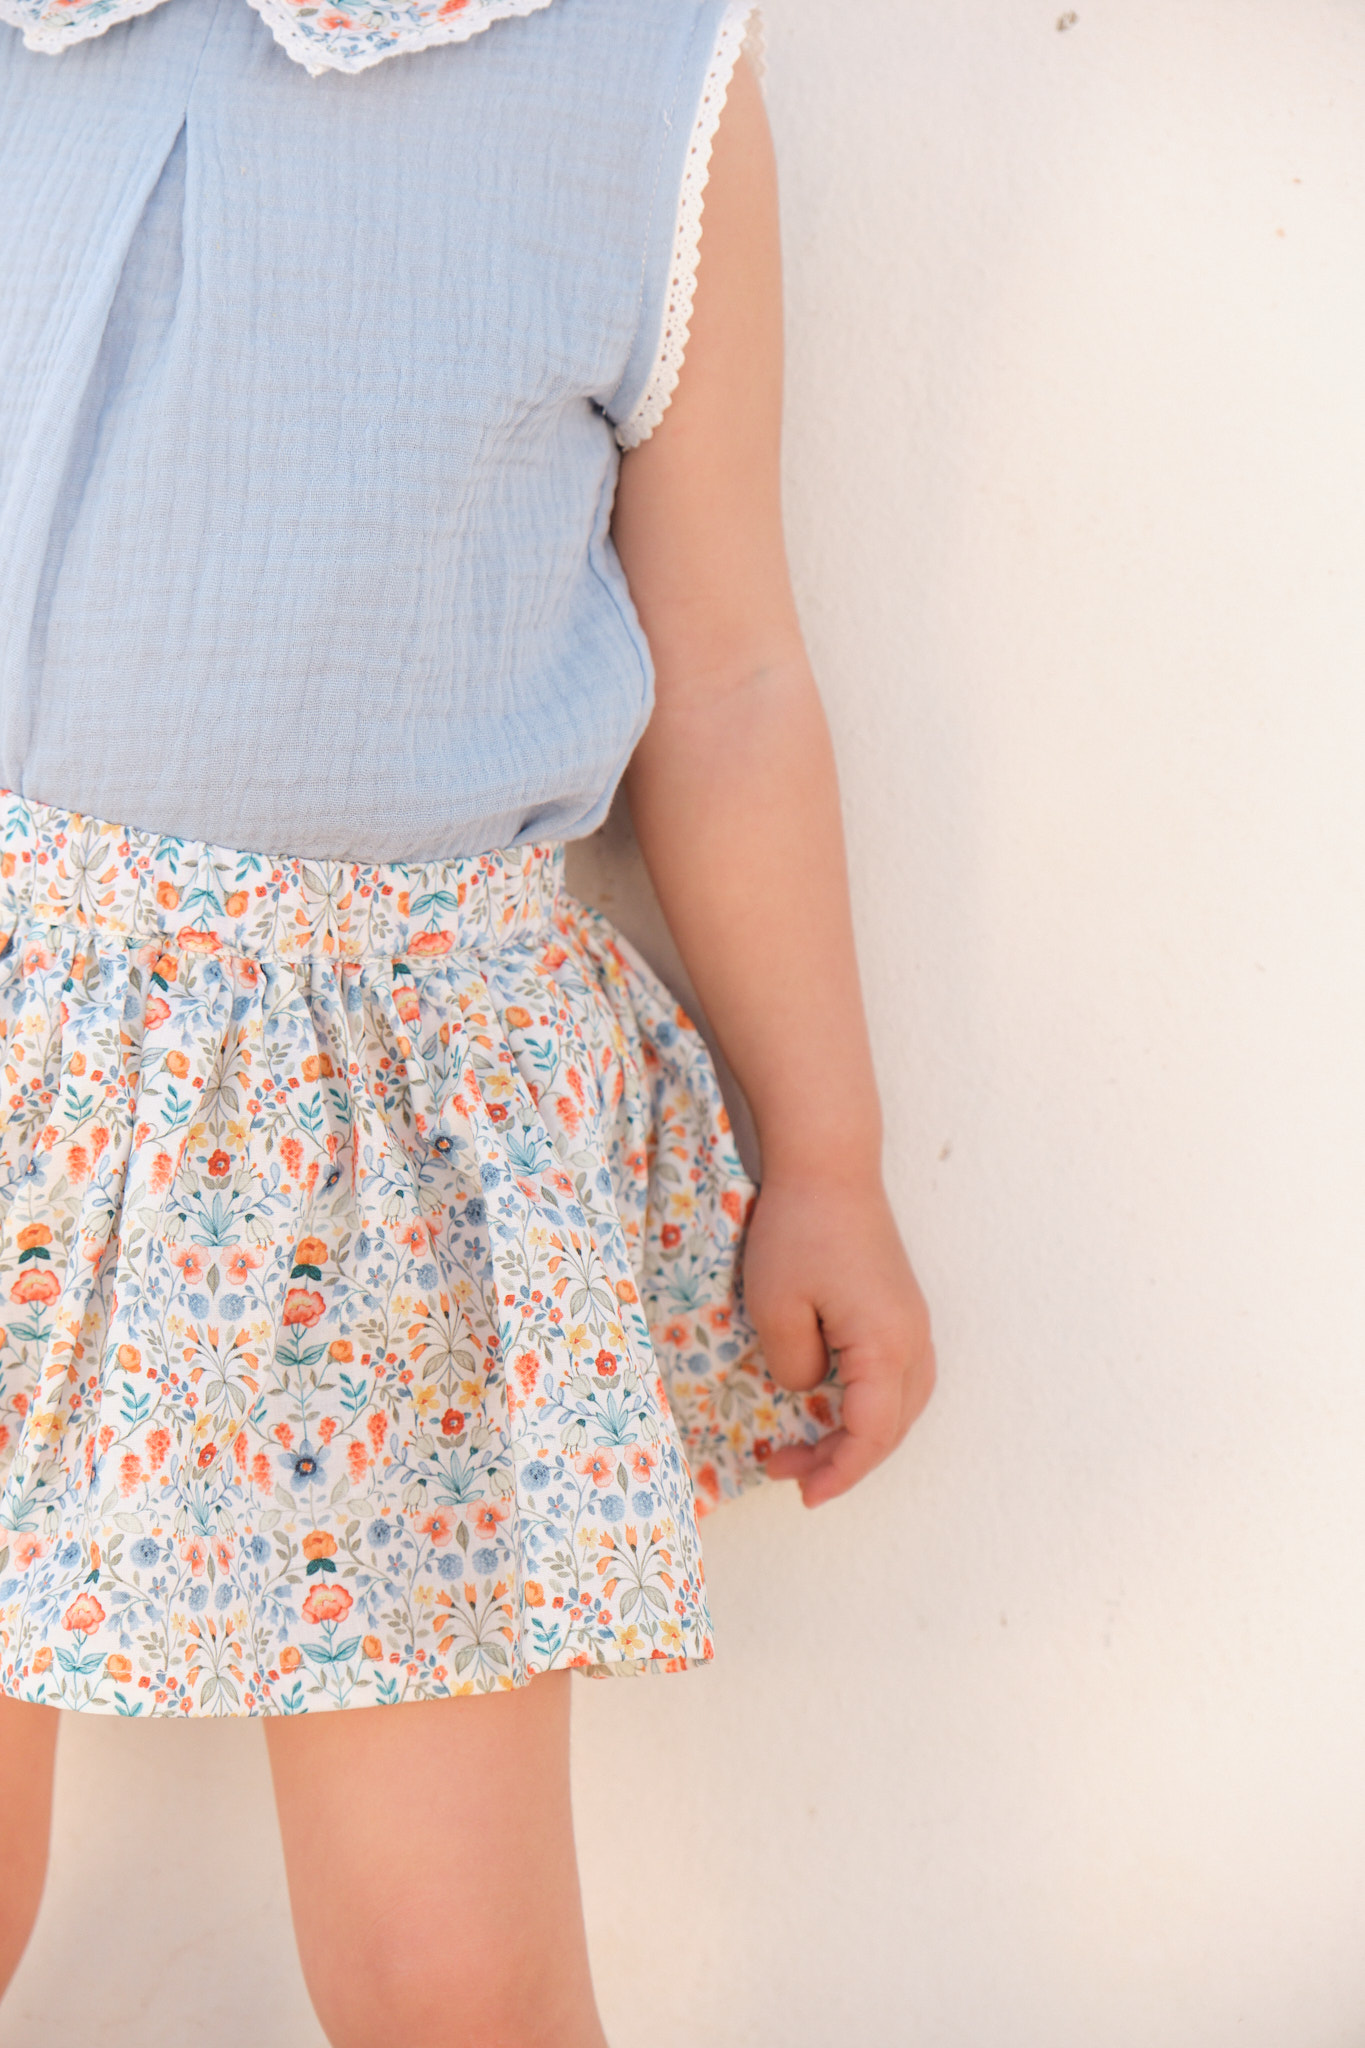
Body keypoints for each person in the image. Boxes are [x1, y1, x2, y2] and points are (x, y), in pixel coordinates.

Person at [0, 0, 936, 2039]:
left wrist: (829, 1159)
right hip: (18, 1042)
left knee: (452, 1975)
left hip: (394, 1135)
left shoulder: (641, 82)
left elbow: (726, 677)